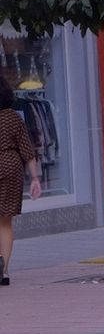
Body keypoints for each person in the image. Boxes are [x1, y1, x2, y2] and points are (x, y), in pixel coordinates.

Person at [0, 78, 41, 286]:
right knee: (5, 221)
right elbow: (27, 150)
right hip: (10, 166)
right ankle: (4, 270)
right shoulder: (13, 118)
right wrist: (35, 178)